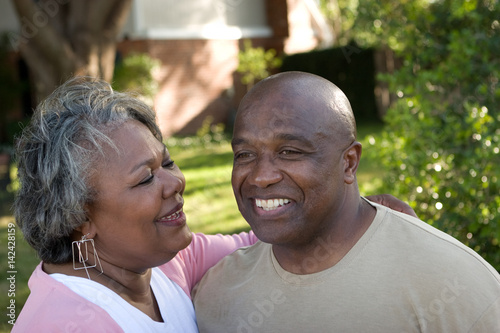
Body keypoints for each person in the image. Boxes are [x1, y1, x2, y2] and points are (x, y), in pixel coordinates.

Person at [12, 76, 415, 332]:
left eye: (167, 161)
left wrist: (350, 210)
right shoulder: (63, 323)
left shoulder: (164, 265)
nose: (176, 182)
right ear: (80, 218)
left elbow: (253, 244)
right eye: (146, 178)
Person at [192, 71, 500, 332]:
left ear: (349, 163)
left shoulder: (453, 284)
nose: (261, 177)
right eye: (245, 155)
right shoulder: (218, 295)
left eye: (290, 152)